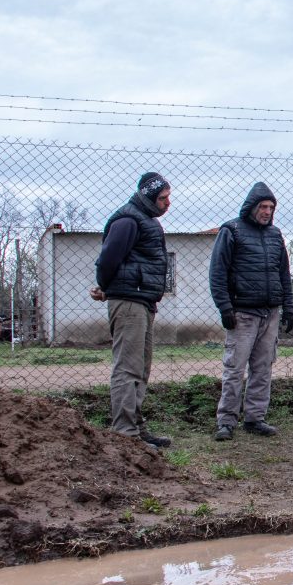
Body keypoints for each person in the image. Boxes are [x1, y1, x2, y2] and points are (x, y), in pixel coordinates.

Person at [90, 172, 173, 449]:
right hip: (130, 303)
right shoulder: (128, 220)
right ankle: (124, 433)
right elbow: (108, 259)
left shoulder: (145, 220)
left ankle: (134, 427)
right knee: (128, 368)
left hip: (143, 301)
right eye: (163, 198)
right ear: (149, 197)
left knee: (141, 368)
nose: (168, 203)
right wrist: (106, 286)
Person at [209, 182, 293, 442]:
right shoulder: (231, 231)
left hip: (270, 312)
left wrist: (288, 307)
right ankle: (226, 421)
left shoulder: (275, 235)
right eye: (263, 206)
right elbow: (218, 272)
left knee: (263, 368)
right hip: (242, 313)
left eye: (271, 207)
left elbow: (284, 274)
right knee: (234, 368)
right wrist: (225, 307)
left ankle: (255, 418)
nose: (267, 211)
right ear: (252, 207)